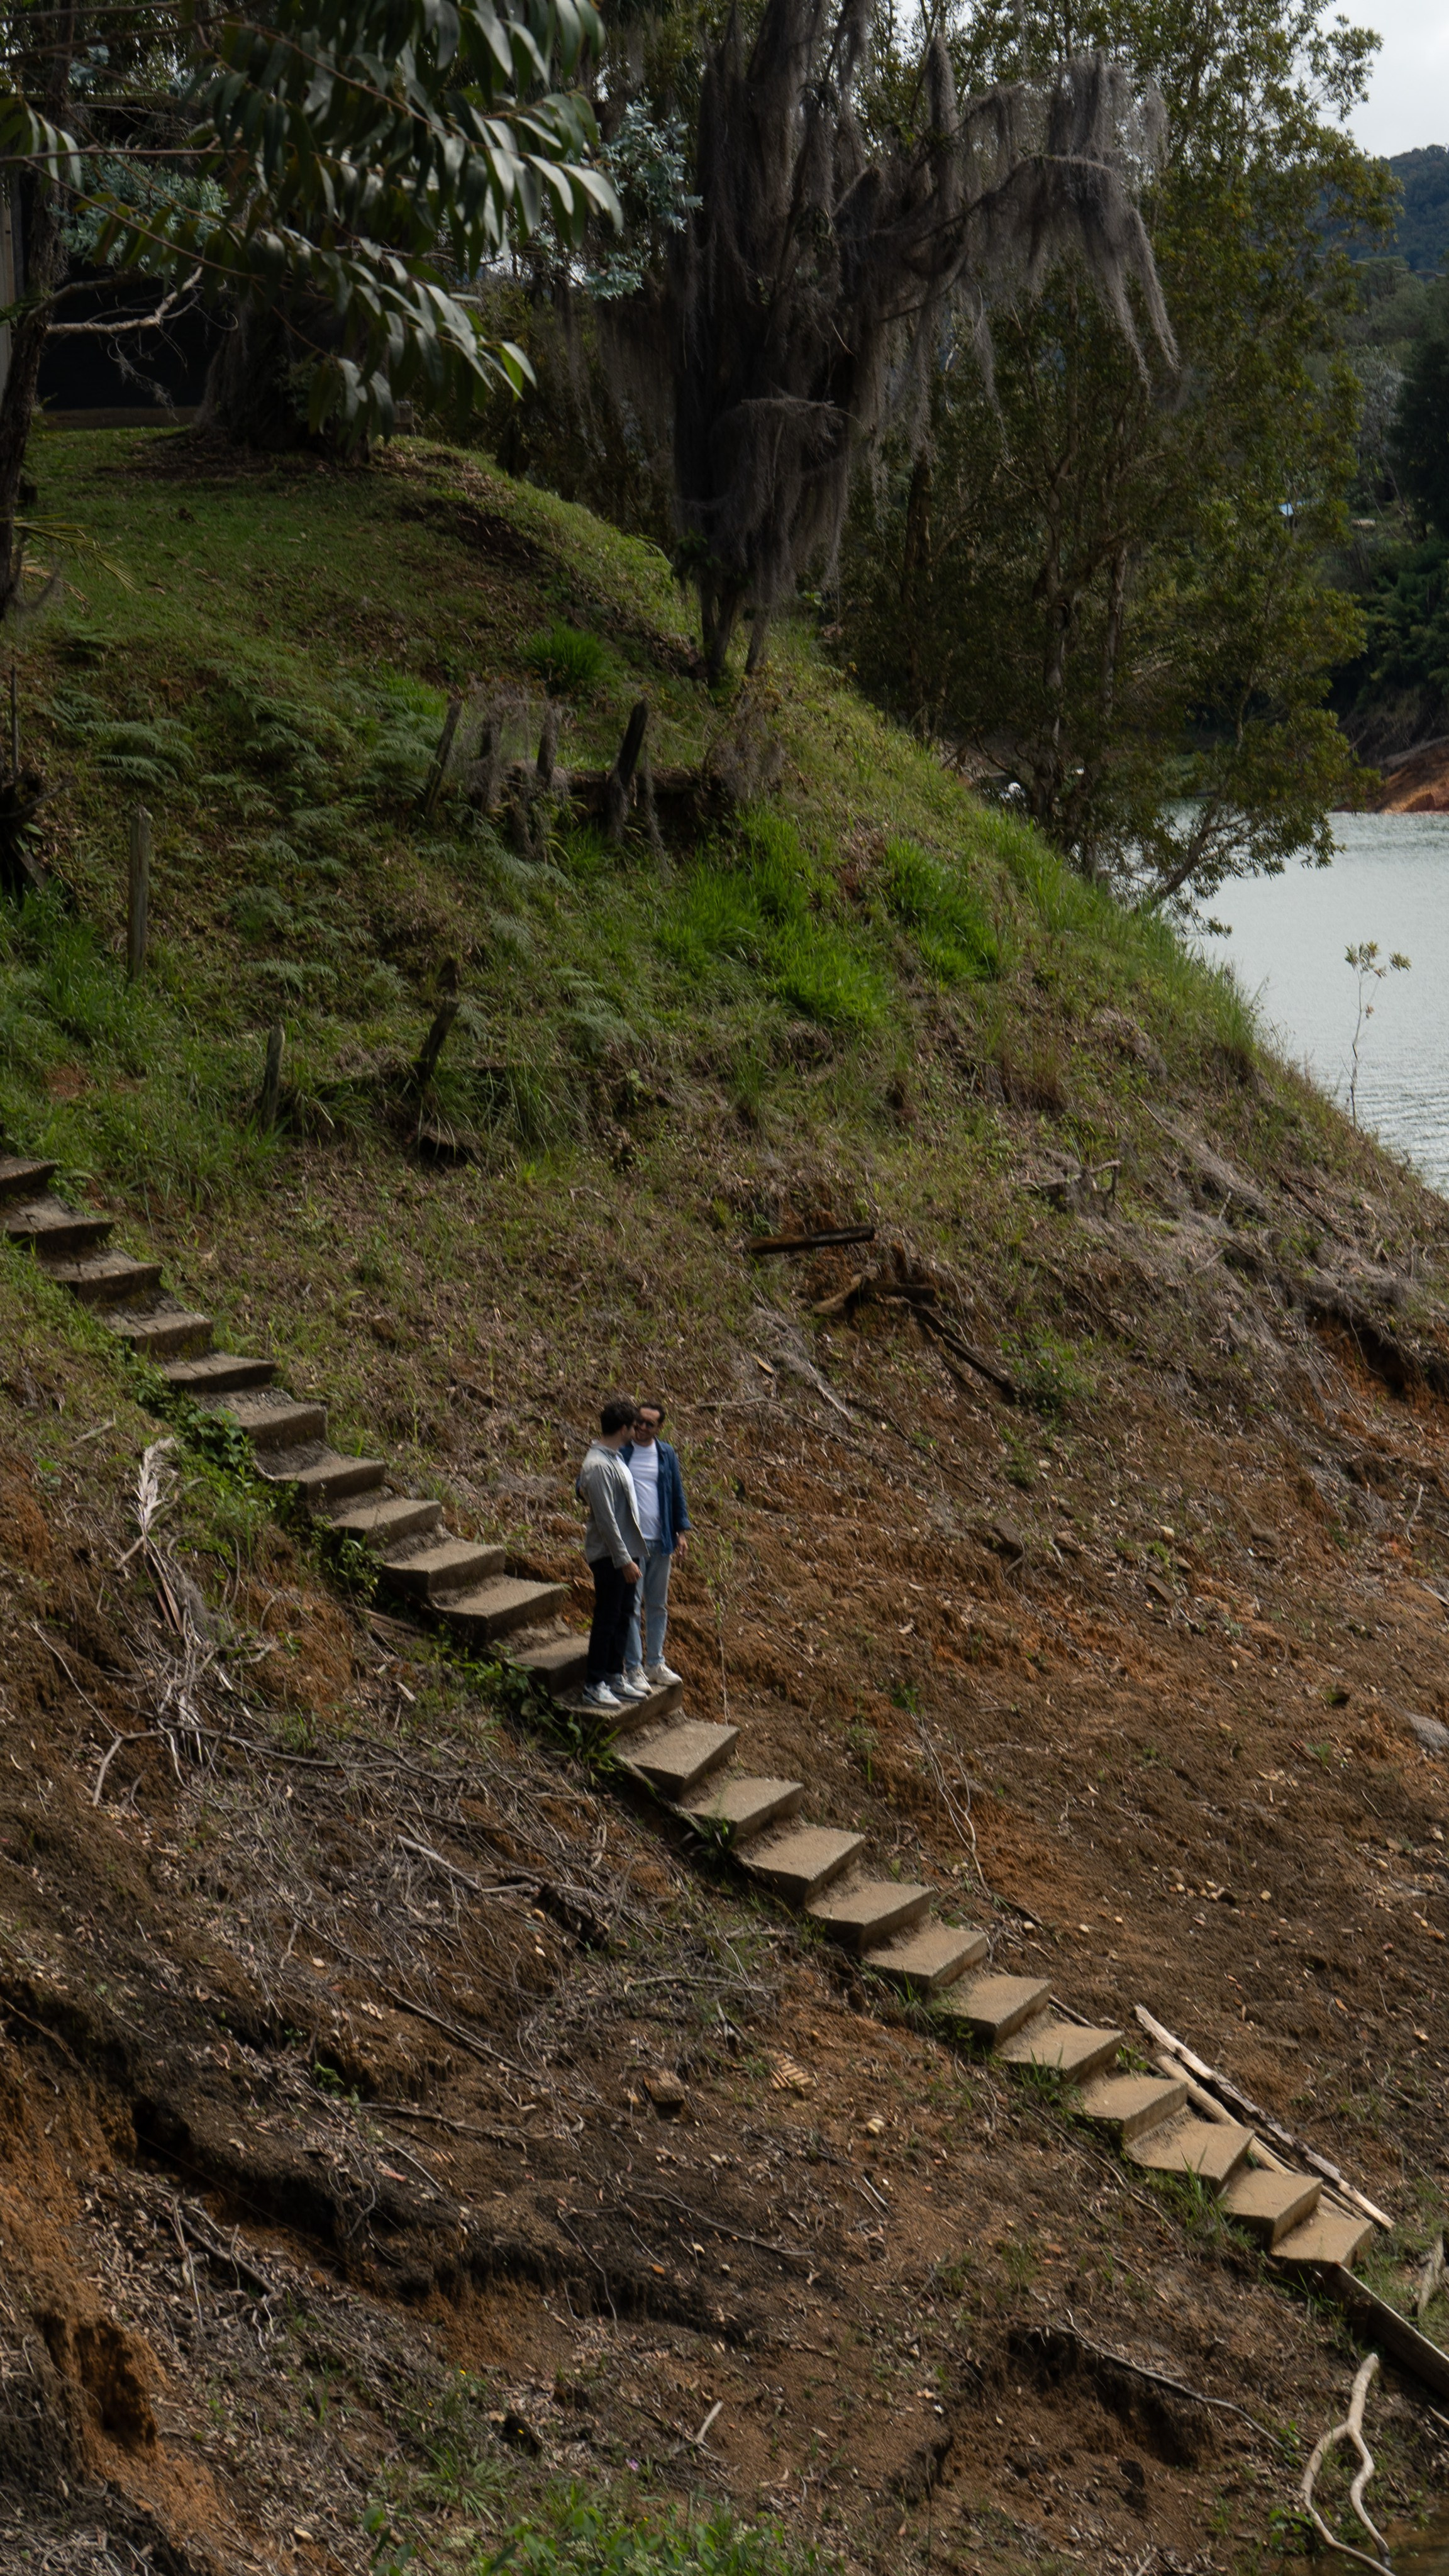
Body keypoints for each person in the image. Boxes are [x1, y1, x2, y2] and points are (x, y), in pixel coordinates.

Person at [575, 1399, 652, 1712]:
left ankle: (613, 1674)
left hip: (627, 1555)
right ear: (623, 1428)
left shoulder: (615, 1459)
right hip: (611, 1557)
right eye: (634, 1426)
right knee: (607, 1619)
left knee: (623, 1616)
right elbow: (606, 1521)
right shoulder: (598, 1466)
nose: (638, 1431)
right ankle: (594, 1684)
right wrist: (624, 1561)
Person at [621, 1399, 691, 1690]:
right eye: (639, 1421)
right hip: (631, 1541)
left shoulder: (666, 1454)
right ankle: (634, 1667)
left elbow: (676, 1492)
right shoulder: (622, 1451)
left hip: (660, 1541)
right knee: (631, 1606)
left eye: (649, 1423)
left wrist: (681, 1531)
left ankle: (655, 1663)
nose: (641, 1427)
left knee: (658, 1605)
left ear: (659, 1427)